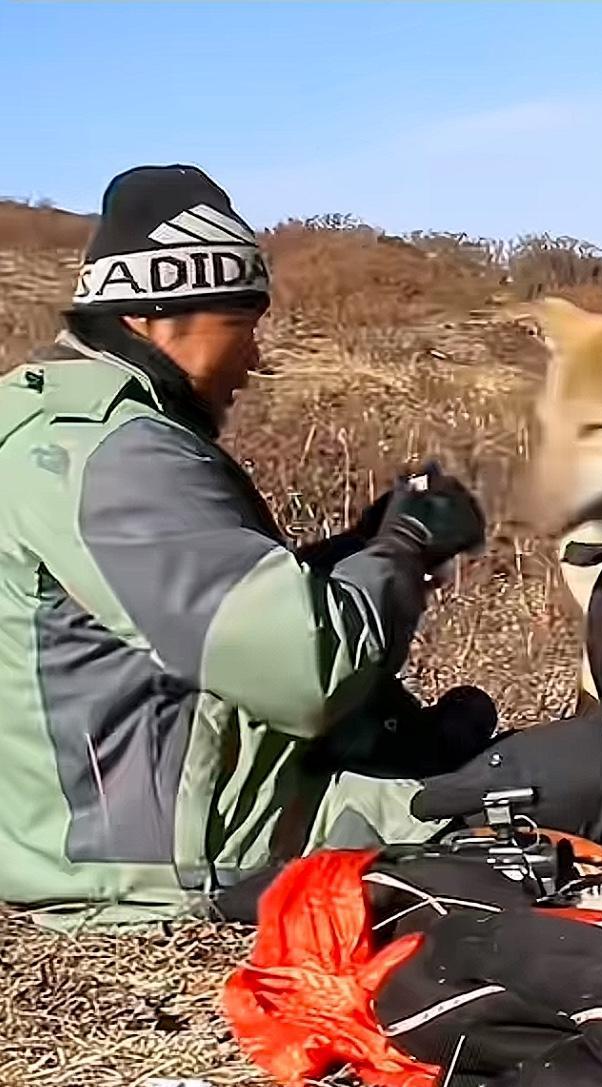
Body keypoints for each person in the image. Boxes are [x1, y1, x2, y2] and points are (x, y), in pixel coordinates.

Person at [0, 164, 493, 922]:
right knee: (575, 786)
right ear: (156, 313)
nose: (254, 358)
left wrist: (359, 544)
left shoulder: (48, 428)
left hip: (89, 827)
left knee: (493, 756)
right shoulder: (118, 456)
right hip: (170, 856)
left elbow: (189, 619)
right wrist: (406, 545)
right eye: (241, 323)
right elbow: (308, 675)